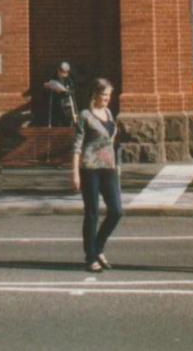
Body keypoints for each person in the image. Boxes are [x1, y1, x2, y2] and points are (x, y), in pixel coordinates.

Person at [71, 77, 123, 272]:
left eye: (109, 95)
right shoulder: (85, 116)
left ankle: (98, 246)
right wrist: (75, 173)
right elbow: (76, 146)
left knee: (116, 211)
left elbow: (111, 141)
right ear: (95, 94)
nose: (107, 99)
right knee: (92, 213)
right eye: (104, 95)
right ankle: (90, 257)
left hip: (108, 168)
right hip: (90, 169)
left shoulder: (108, 113)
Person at [43, 61, 77, 126]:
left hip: (67, 108)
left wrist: (65, 91)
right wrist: (48, 87)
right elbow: (46, 87)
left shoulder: (69, 81)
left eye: (65, 72)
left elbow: (72, 92)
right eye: (61, 71)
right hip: (55, 107)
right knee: (57, 125)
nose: (63, 73)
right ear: (58, 70)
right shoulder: (53, 78)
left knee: (68, 125)